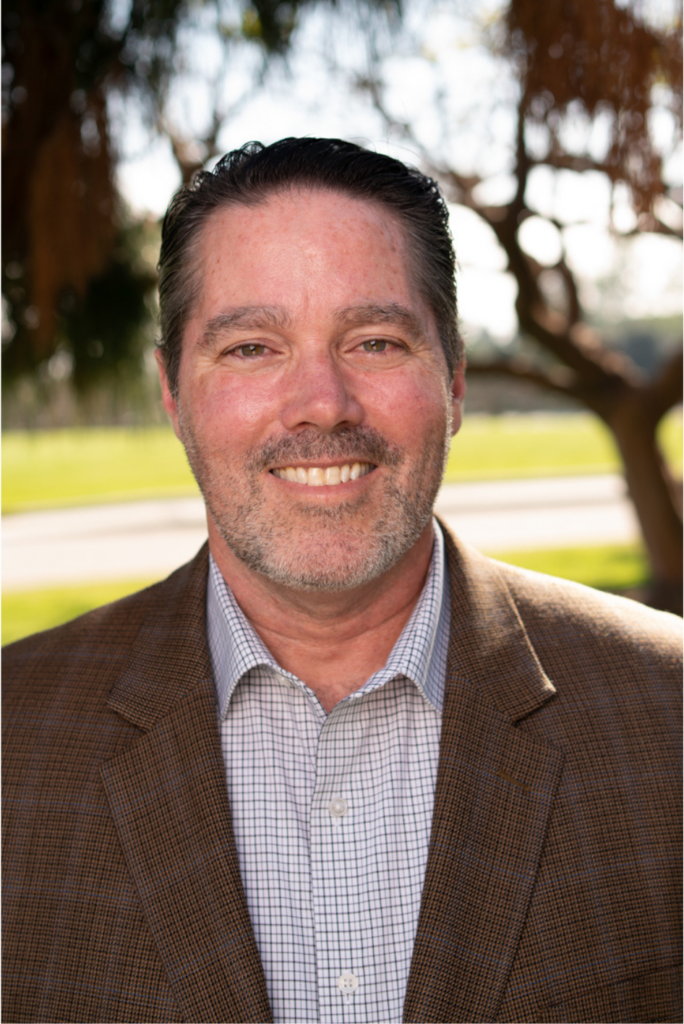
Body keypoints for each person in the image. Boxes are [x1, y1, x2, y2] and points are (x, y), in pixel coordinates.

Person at [2, 138, 681, 1024]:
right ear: (172, 392)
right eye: (251, 348)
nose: (322, 401)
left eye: (375, 340)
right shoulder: (13, 735)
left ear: (456, 382)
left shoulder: (668, 713)